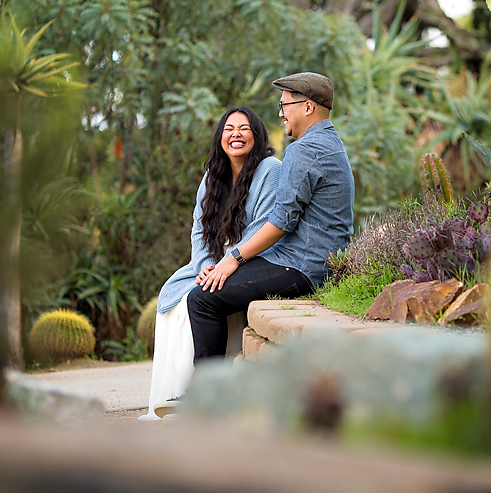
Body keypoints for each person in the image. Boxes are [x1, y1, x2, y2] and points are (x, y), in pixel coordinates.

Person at [188, 71, 355, 362]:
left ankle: (208, 395)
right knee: (212, 289)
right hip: (312, 259)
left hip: (303, 267)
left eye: (285, 106)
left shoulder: (304, 150)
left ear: (307, 107)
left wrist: (233, 259)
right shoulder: (330, 143)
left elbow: (281, 223)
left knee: (203, 299)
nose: (281, 114)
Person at [139, 106, 281, 421]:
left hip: (249, 259)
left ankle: (201, 393)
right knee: (173, 300)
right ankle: (174, 394)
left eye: (244, 128)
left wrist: (227, 264)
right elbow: (199, 229)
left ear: (256, 136)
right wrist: (205, 264)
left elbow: (264, 229)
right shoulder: (212, 176)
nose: (236, 134)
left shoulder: (270, 169)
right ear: (220, 137)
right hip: (212, 260)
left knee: (197, 298)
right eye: (229, 129)